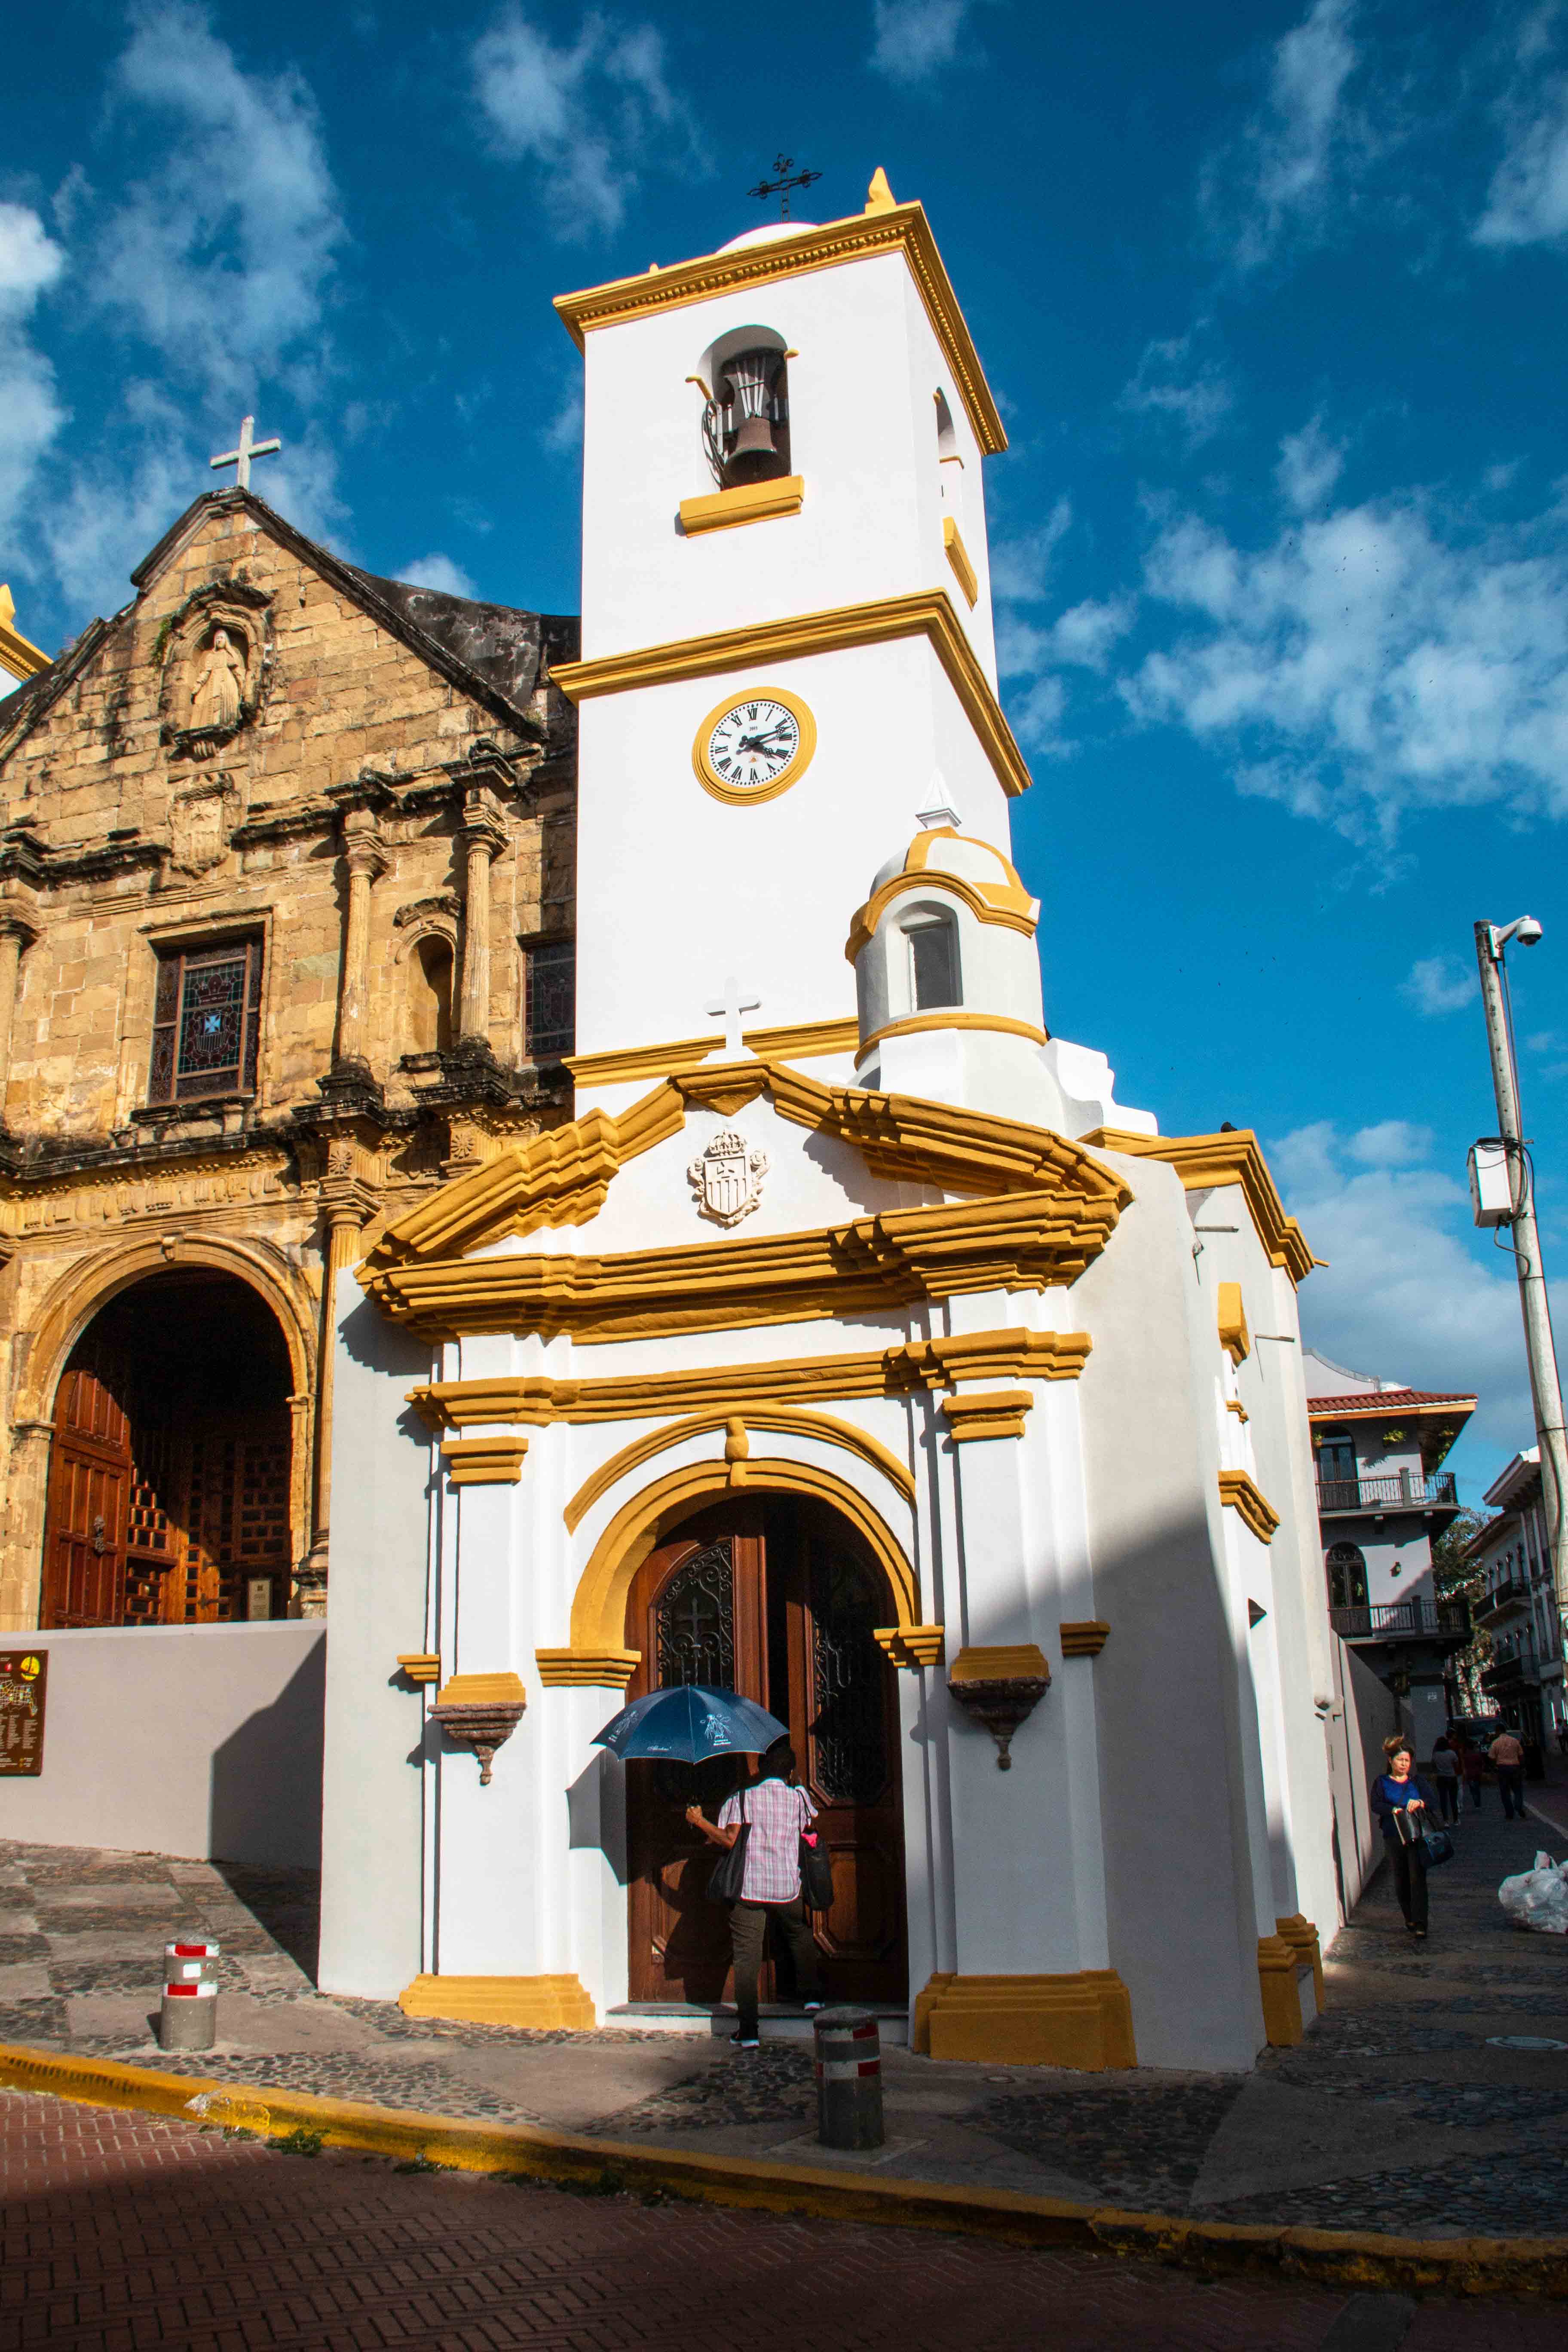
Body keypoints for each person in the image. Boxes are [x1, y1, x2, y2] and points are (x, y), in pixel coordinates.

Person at [686, 1737, 824, 2050]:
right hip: (787, 1885)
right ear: (789, 1774)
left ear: (762, 1770)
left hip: (750, 1886)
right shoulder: (799, 1798)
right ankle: (813, 1997)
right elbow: (810, 1826)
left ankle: (748, 2031)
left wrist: (700, 1821)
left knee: (747, 1957)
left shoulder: (743, 1798)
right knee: (799, 1934)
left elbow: (729, 1840)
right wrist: (796, 1784)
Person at [1369, 1736, 1439, 1938]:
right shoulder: (1382, 1783)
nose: (1404, 1764)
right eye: (1401, 1760)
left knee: (1418, 1878)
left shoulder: (1417, 1782)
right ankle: (1409, 1916)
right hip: (1394, 1835)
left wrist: (1420, 1803)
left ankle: (1421, 1923)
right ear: (1391, 1761)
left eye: (1408, 1761)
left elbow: (1432, 1802)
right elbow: (1376, 1805)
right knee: (1401, 1878)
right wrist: (1394, 1810)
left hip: (1416, 1836)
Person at [1490, 1726, 1528, 1820]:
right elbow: (1521, 1756)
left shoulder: (1495, 1743)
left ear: (1498, 1732)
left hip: (1502, 1769)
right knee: (1518, 1789)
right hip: (1515, 1768)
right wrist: (1522, 1767)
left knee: (1505, 1792)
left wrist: (1494, 1768)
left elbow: (1492, 1758)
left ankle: (1510, 1813)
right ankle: (1518, 1806)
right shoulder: (1515, 1741)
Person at [1430, 1735, 1461, 1825]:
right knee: (1453, 1800)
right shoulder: (1452, 1753)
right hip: (1452, 1777)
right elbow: (1457, 1765)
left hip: (1441, 1778)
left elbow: (1433, 1766)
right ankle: (1456, 1820)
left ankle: (1446, 1821)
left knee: (1443, 1800)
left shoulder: (1436, 1755)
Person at [1460, 1739, 1485, 1808]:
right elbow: (1482, 1764)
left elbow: (1464, 1765)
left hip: (1469, 1774)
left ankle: (1476, 1802)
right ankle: (1478, 1803)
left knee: (1473, 1790)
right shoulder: (1477, 1754)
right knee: (1477, 1789)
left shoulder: (1465, 1755)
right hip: (1477, 1774)